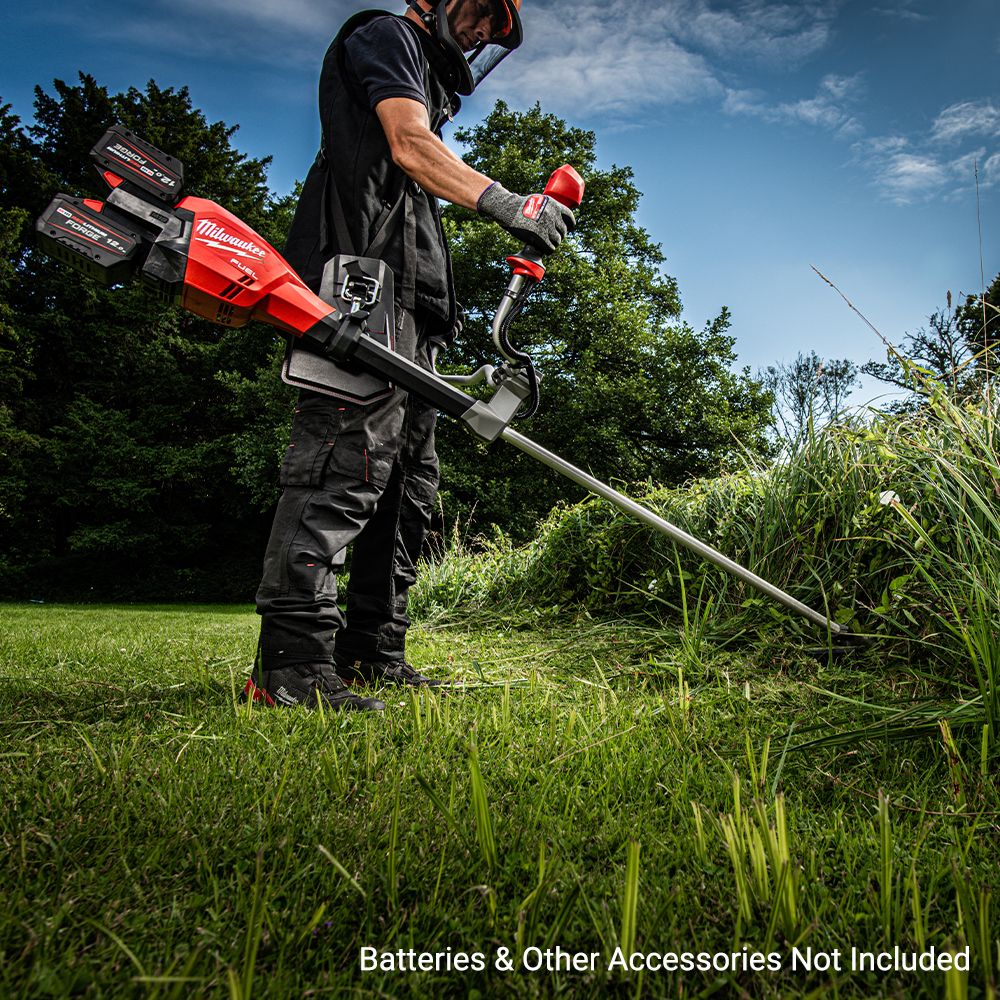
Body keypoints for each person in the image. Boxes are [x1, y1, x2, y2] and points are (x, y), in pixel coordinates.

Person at [244, 0, 575, 711]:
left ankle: (372, 651)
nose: (486, 31)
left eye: (499, 30)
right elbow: (409, 144)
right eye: (483, 11)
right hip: (361, 289)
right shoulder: (387, 37)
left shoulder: (429, 83)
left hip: (415, 312)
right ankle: (291, 668)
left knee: (405, 491)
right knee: (343, 463)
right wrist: (509, 204)